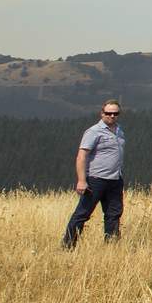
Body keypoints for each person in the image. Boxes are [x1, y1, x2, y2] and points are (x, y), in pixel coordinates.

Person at [62, 100, 126, 249]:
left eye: (115, 113)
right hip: (95, 180)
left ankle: (111, 247)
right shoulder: (94, 131)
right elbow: (81, 156)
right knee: (83, 214)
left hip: (115, 180)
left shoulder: (119, 131)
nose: (112, 116)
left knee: (114, 214)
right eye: (108, 113)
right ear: (101, 113)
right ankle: (67, 246)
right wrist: (82, 180)